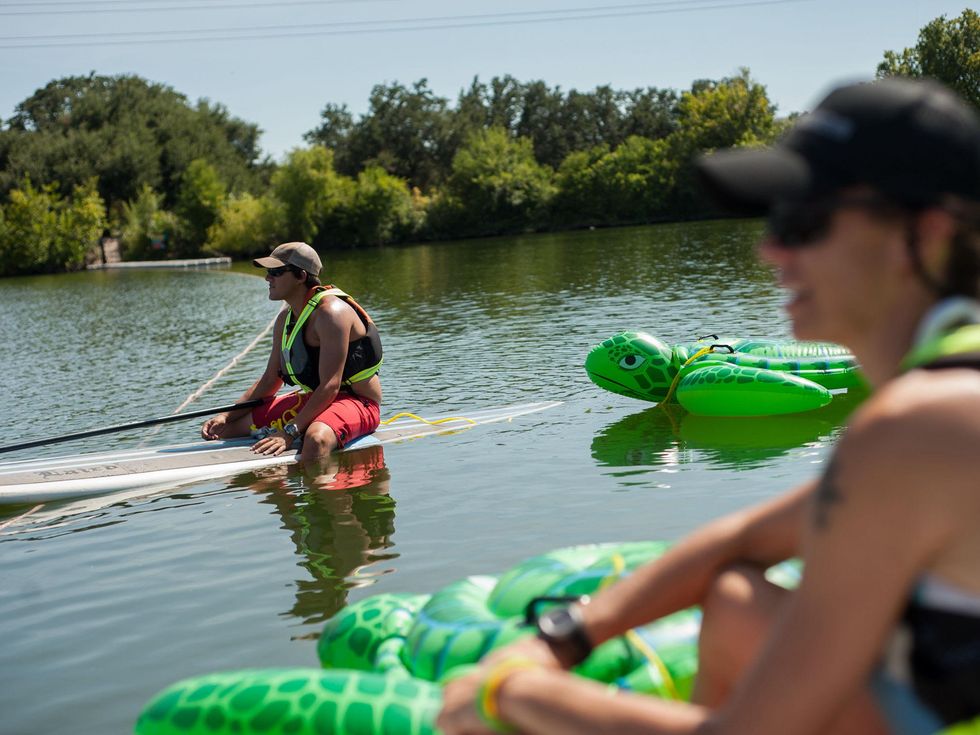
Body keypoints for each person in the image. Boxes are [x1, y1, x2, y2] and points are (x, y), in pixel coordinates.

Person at [437, 78, 980, 735]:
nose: (771, 250)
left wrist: (507, 693)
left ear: (927, 233)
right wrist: (566, 634)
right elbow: (744, 537)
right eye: (777, 221)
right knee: (732, 599)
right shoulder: (945, 394)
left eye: (805, 221)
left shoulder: (920, 425)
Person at [200, 241, 383, 461]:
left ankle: (319, 488)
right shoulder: (284, 320)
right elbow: (270, 380)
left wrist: (290, 432)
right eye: (268, 272)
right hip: (315, 399)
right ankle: (278, 485)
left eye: (276, 272)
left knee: (315, 440)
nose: (268, 278)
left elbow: (330, 386)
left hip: (357, 402)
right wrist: (226, 416)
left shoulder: (332, 314)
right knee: (223, 431)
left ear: (301, 276)